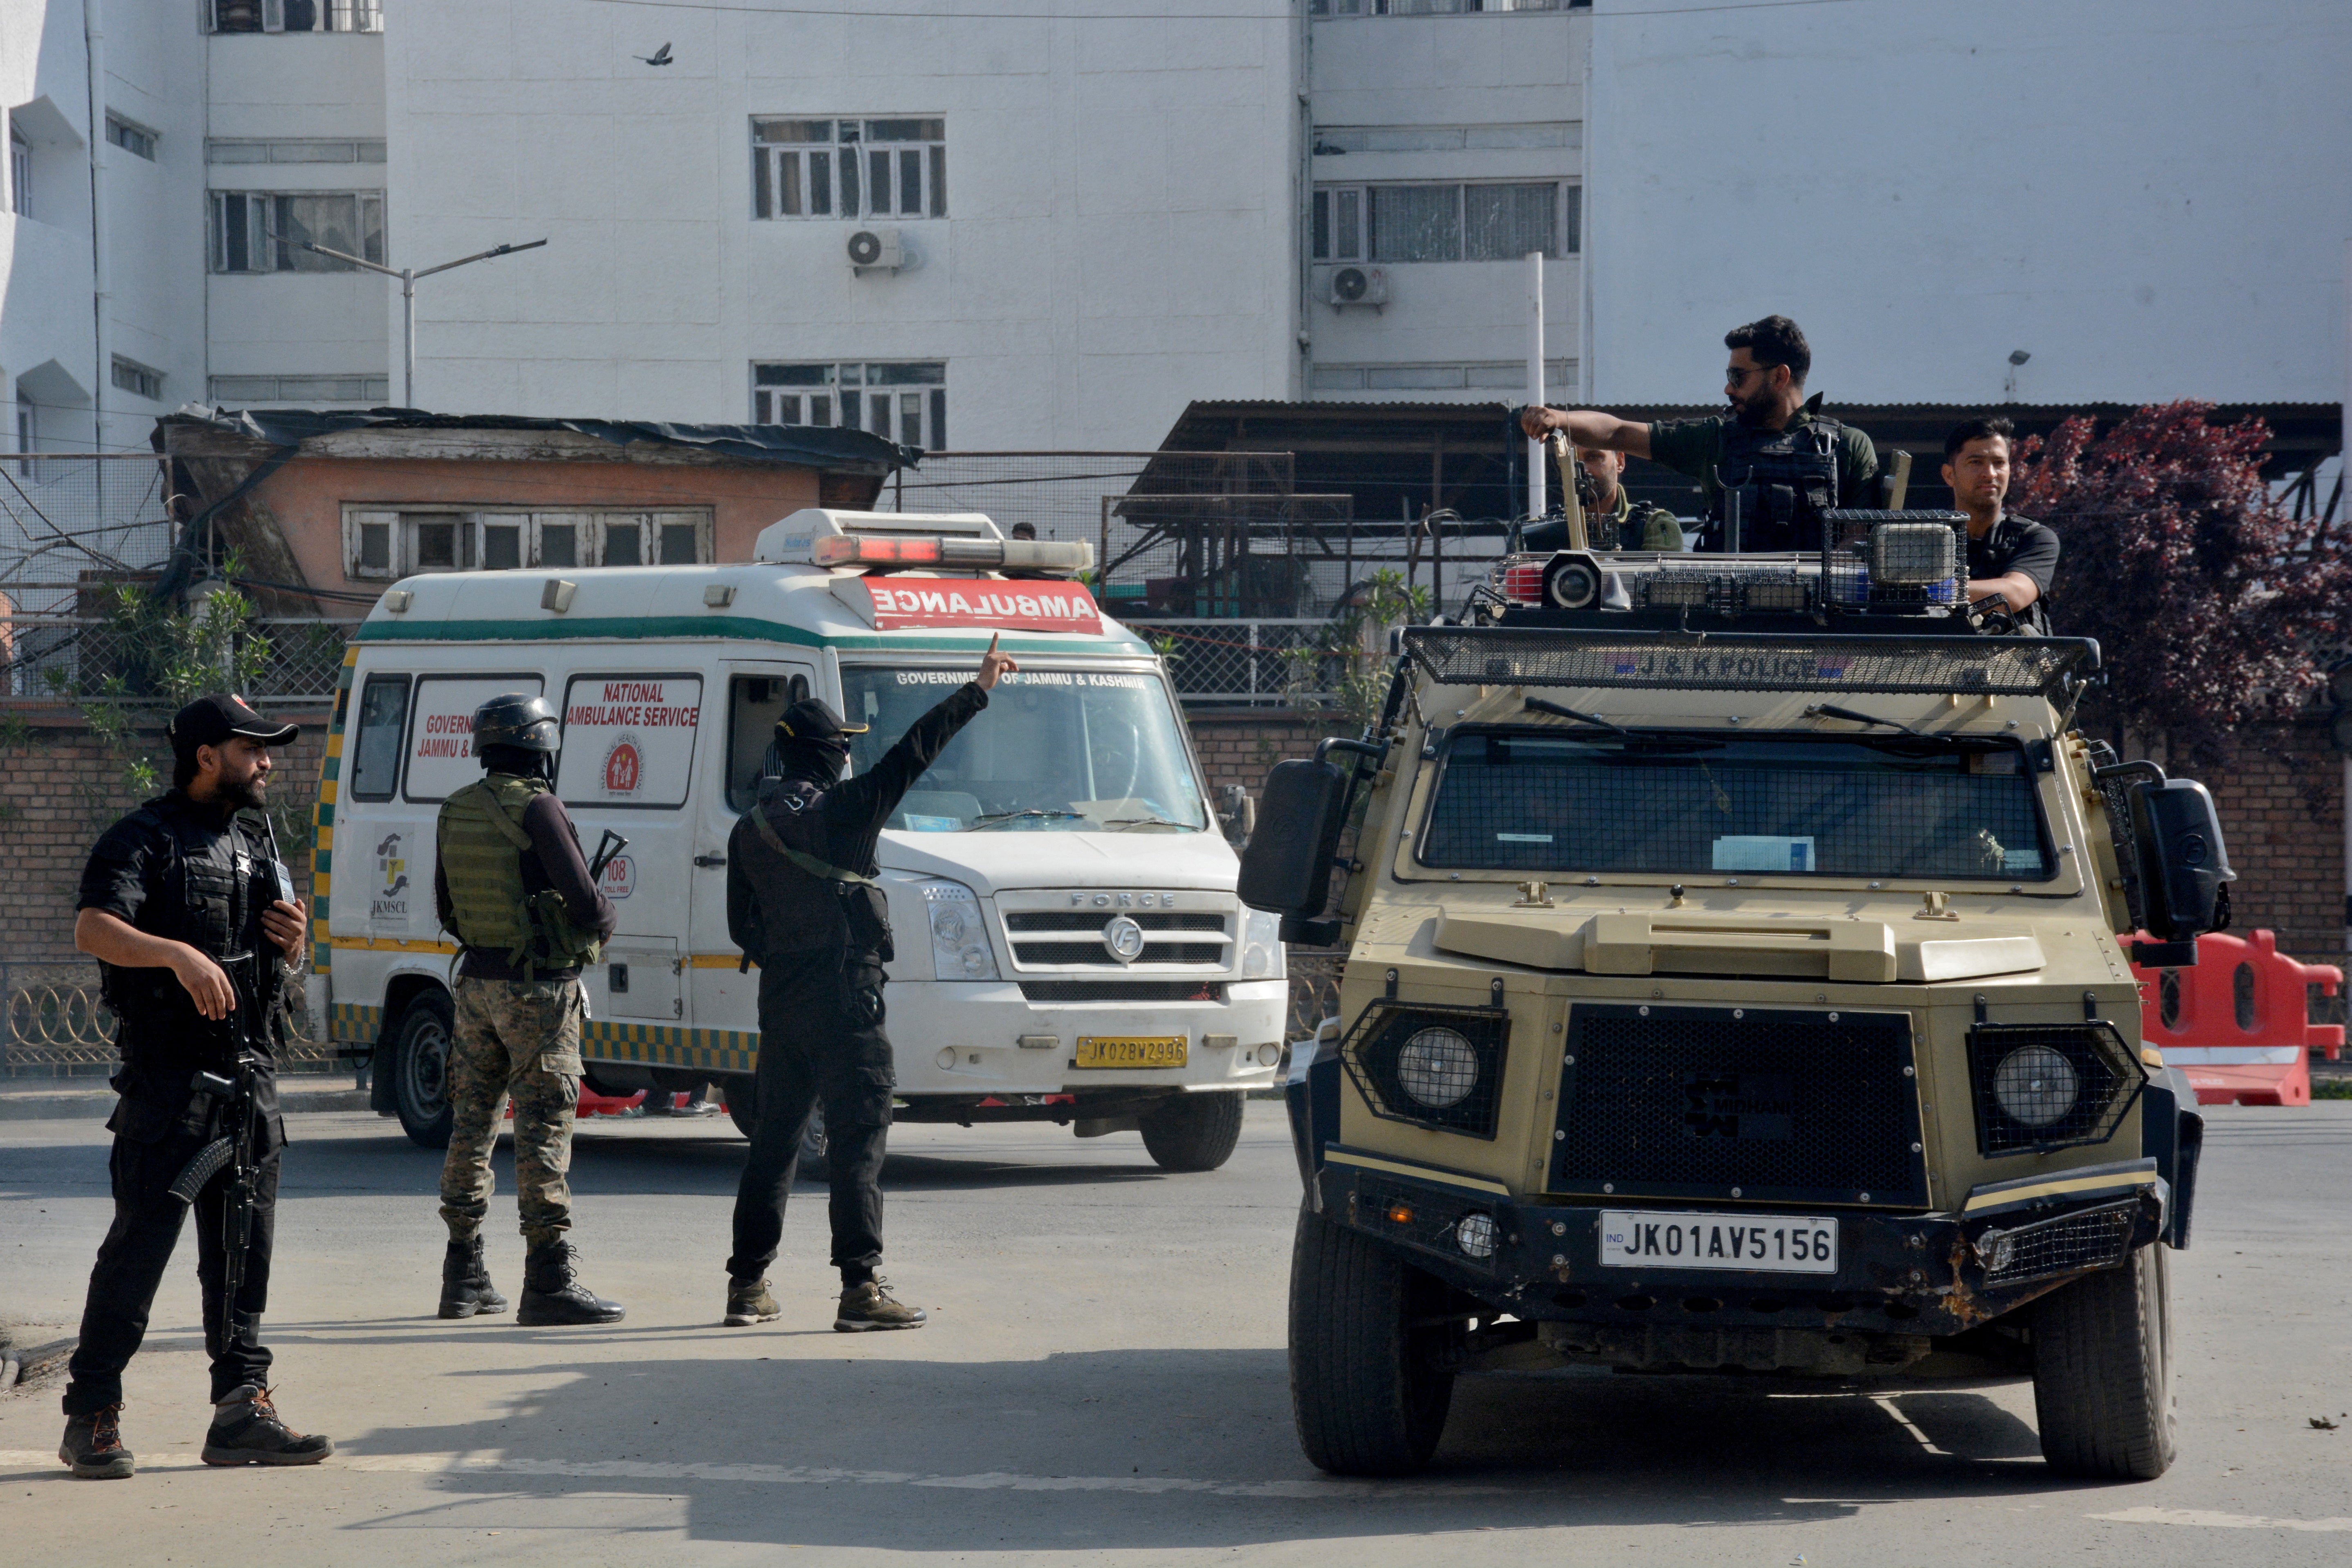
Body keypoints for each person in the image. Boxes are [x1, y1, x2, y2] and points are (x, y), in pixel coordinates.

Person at [59, 694, 330, 1479]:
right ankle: (92, 1413)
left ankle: (242, 1408)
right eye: (253, 747)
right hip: (171, 1087)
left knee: (244, 1257)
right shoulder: (142, 838)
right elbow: (93, 927)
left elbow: (278, 973)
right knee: (137, 1254)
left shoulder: (257, 847)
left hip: (250, 1087)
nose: (268, 760)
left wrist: (297, 942)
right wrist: (176, 953)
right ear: (207, 755)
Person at [723, 635, 1016, 1331]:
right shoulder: (846, 811)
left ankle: (747, 1287)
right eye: (843, 745)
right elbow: (913, 752)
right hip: (847, 1001)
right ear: (827, 754)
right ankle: (860, 1287)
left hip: (782, 1002)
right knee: (857, 1140)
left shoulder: (751, 828)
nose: (850, 755)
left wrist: (792, 957)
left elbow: (744, 929)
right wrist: (977, 689)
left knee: (774, 1142)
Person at [432, 692, 622, 1325]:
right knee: (542, 1129)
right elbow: (589, 904)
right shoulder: (540, 806)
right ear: (540, 747)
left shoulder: (455, 808)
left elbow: (447, 909)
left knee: (472, 1126)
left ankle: (463, 1274)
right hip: (538, 991)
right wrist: (599, 919)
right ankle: (547, 1281)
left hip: (475, 986)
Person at [1521, 314, 1879, 553]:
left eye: (1738, 377)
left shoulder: (1846, 446)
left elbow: (1856, 546)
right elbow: (1617, 433)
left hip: (1817, 626)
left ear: (1780, 377)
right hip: (1727, 620)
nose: (1728, 389)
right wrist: (1557, 418)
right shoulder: (1716, 440)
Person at [1943, 414, 2059, 634]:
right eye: (1975, 463)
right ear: (1950, 475)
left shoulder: (2035, 538)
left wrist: (1932, 591)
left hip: (2014, 665)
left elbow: (2013, 594)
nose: (1990, 474)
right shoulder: (1926, 539)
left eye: (1999, 463)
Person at [1519, 443, 1684, 553]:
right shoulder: (1536, 532)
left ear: (1619, 462)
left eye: (1594, 457)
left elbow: (1654, 592)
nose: (1583, 470)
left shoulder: (1656, 525)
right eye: (1572, 460)